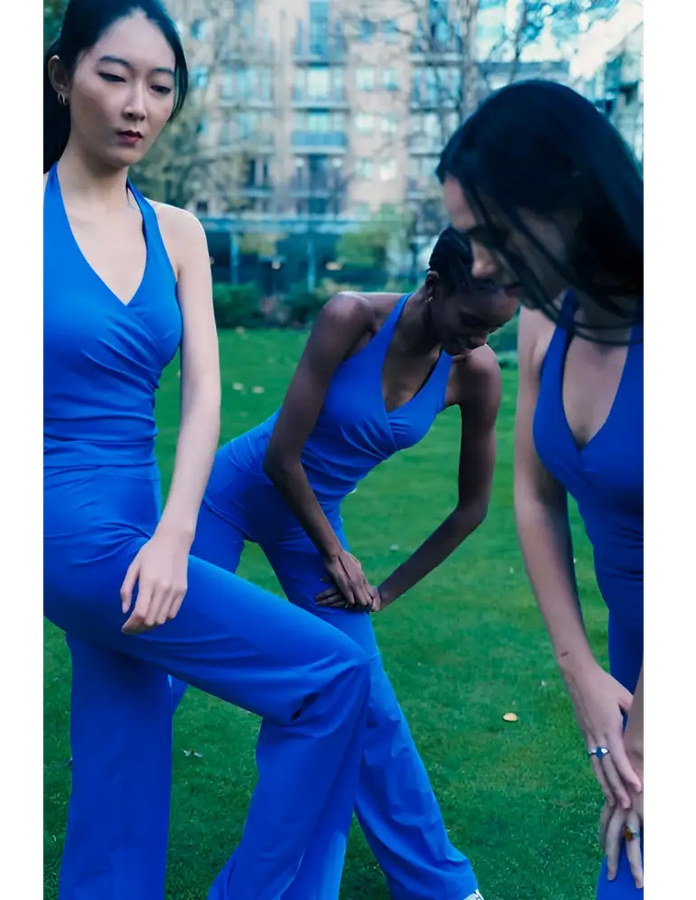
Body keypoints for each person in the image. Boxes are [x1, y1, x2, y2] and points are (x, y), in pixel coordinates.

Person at [40, 2, 375, 898]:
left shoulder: (179, 233)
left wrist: (175, 535)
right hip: (69, 531)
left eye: (160, 85)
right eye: (114, 75)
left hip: (147, 521)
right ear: (62, 72)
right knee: (333, 677)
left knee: (124, 748)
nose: (137, 104)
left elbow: (203, 395)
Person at [168, 227, 517, 900]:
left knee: (370, 702)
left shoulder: (474, 373)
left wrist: (383, 590)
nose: (477, 341)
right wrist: (337, 553)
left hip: (314, 519)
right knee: (161, 665)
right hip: (237, 493)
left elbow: (471, 508)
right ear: (434, 285)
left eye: (493, 332)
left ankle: (443, 884)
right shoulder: (351, 317)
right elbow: (280, 457)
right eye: (471, 323)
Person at [436, 79, 646, 896]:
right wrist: (582, 673)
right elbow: (533, 493)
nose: (479, 265)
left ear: (567, 197)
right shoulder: (545, 316)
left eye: (489, 235)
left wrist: (638, 741)